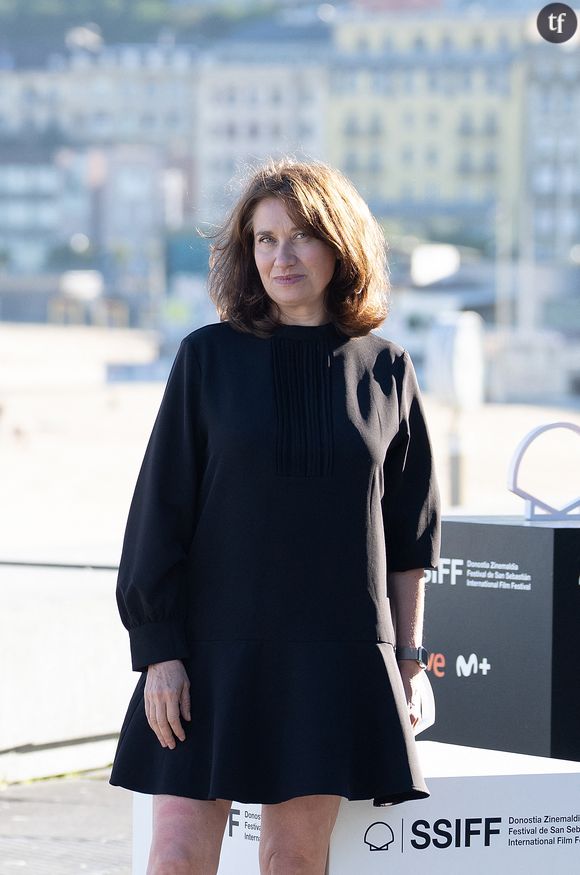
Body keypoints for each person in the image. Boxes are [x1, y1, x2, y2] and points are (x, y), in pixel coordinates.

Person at [109, 157, 441, 875]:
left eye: (299, 237)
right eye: (264, 240)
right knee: (174, 858)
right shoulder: (207, 358)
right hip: (207, 650)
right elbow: (158, 512)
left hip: (332, 652)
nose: (280, 257)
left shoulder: (388, 370)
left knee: (293, 859)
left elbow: (410, 536)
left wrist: (410, 660)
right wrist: (158, 651)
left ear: (339, 246)